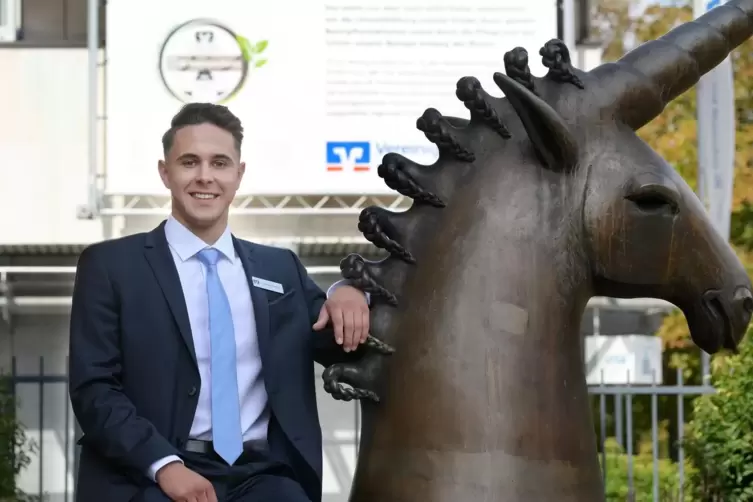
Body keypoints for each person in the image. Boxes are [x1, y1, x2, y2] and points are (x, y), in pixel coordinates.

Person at [69, 103, 371, 502]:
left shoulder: (281, 269)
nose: (205, 176)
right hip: (151, 476)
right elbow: (95, 389)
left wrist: (347, 291)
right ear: (165, 172)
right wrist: (165, 466)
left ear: (239, 174)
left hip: (263, 476)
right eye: (189, 162)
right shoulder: (110, 266)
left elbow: (340, 341)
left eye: (220, 163)